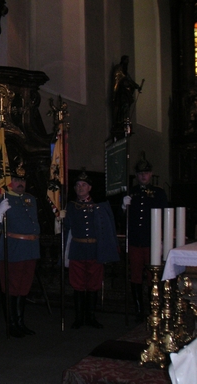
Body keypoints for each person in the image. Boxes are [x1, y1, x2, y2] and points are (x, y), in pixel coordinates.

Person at [0, 164, 40, 338]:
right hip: (13, 248)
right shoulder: (3, 199)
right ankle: (11, 324)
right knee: (11, 288)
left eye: (22, 180)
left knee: (24, 288)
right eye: (16, 180)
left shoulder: (30, 199)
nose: (20, 183)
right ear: (9, 182)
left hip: (30, 249)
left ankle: (20, 322)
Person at [64, 171, 120, 329]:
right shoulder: (70, 206)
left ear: (90, 188)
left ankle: (91, 316)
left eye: (83, 185)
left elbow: (108, 228)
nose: (80, 188)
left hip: (95, 249)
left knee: (93, 284)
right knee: (78, 285)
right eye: (77, 185)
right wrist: (60, 218)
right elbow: (66, 228)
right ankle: (79, 317)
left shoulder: (99, 207)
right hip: (78, 249)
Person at [122, 156, 168, 322]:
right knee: (135, 276)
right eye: (140, 173)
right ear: (136, 175)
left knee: (152, 276)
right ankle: (138, 310)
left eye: (146, 173)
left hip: (152, 241)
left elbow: (164, 217)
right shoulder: (131, 193)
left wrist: (162, 240)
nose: (143, 176)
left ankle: (153, 307)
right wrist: (124, 207)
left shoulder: (158, 193)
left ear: (151, 174)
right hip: (135, 241)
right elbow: (126, 219)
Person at [112, 55, 141, 128]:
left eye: (128, 61)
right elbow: (119, 79)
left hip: (125, 93)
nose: (127, 62)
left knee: (126, 106)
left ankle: (125, 120)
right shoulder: (119, 69)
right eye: (126, 60)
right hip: (121, 92)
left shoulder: (125, 72)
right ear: (123, 60)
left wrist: (137, 86)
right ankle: (121, 121)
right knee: (123, 106)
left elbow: (130, 80)